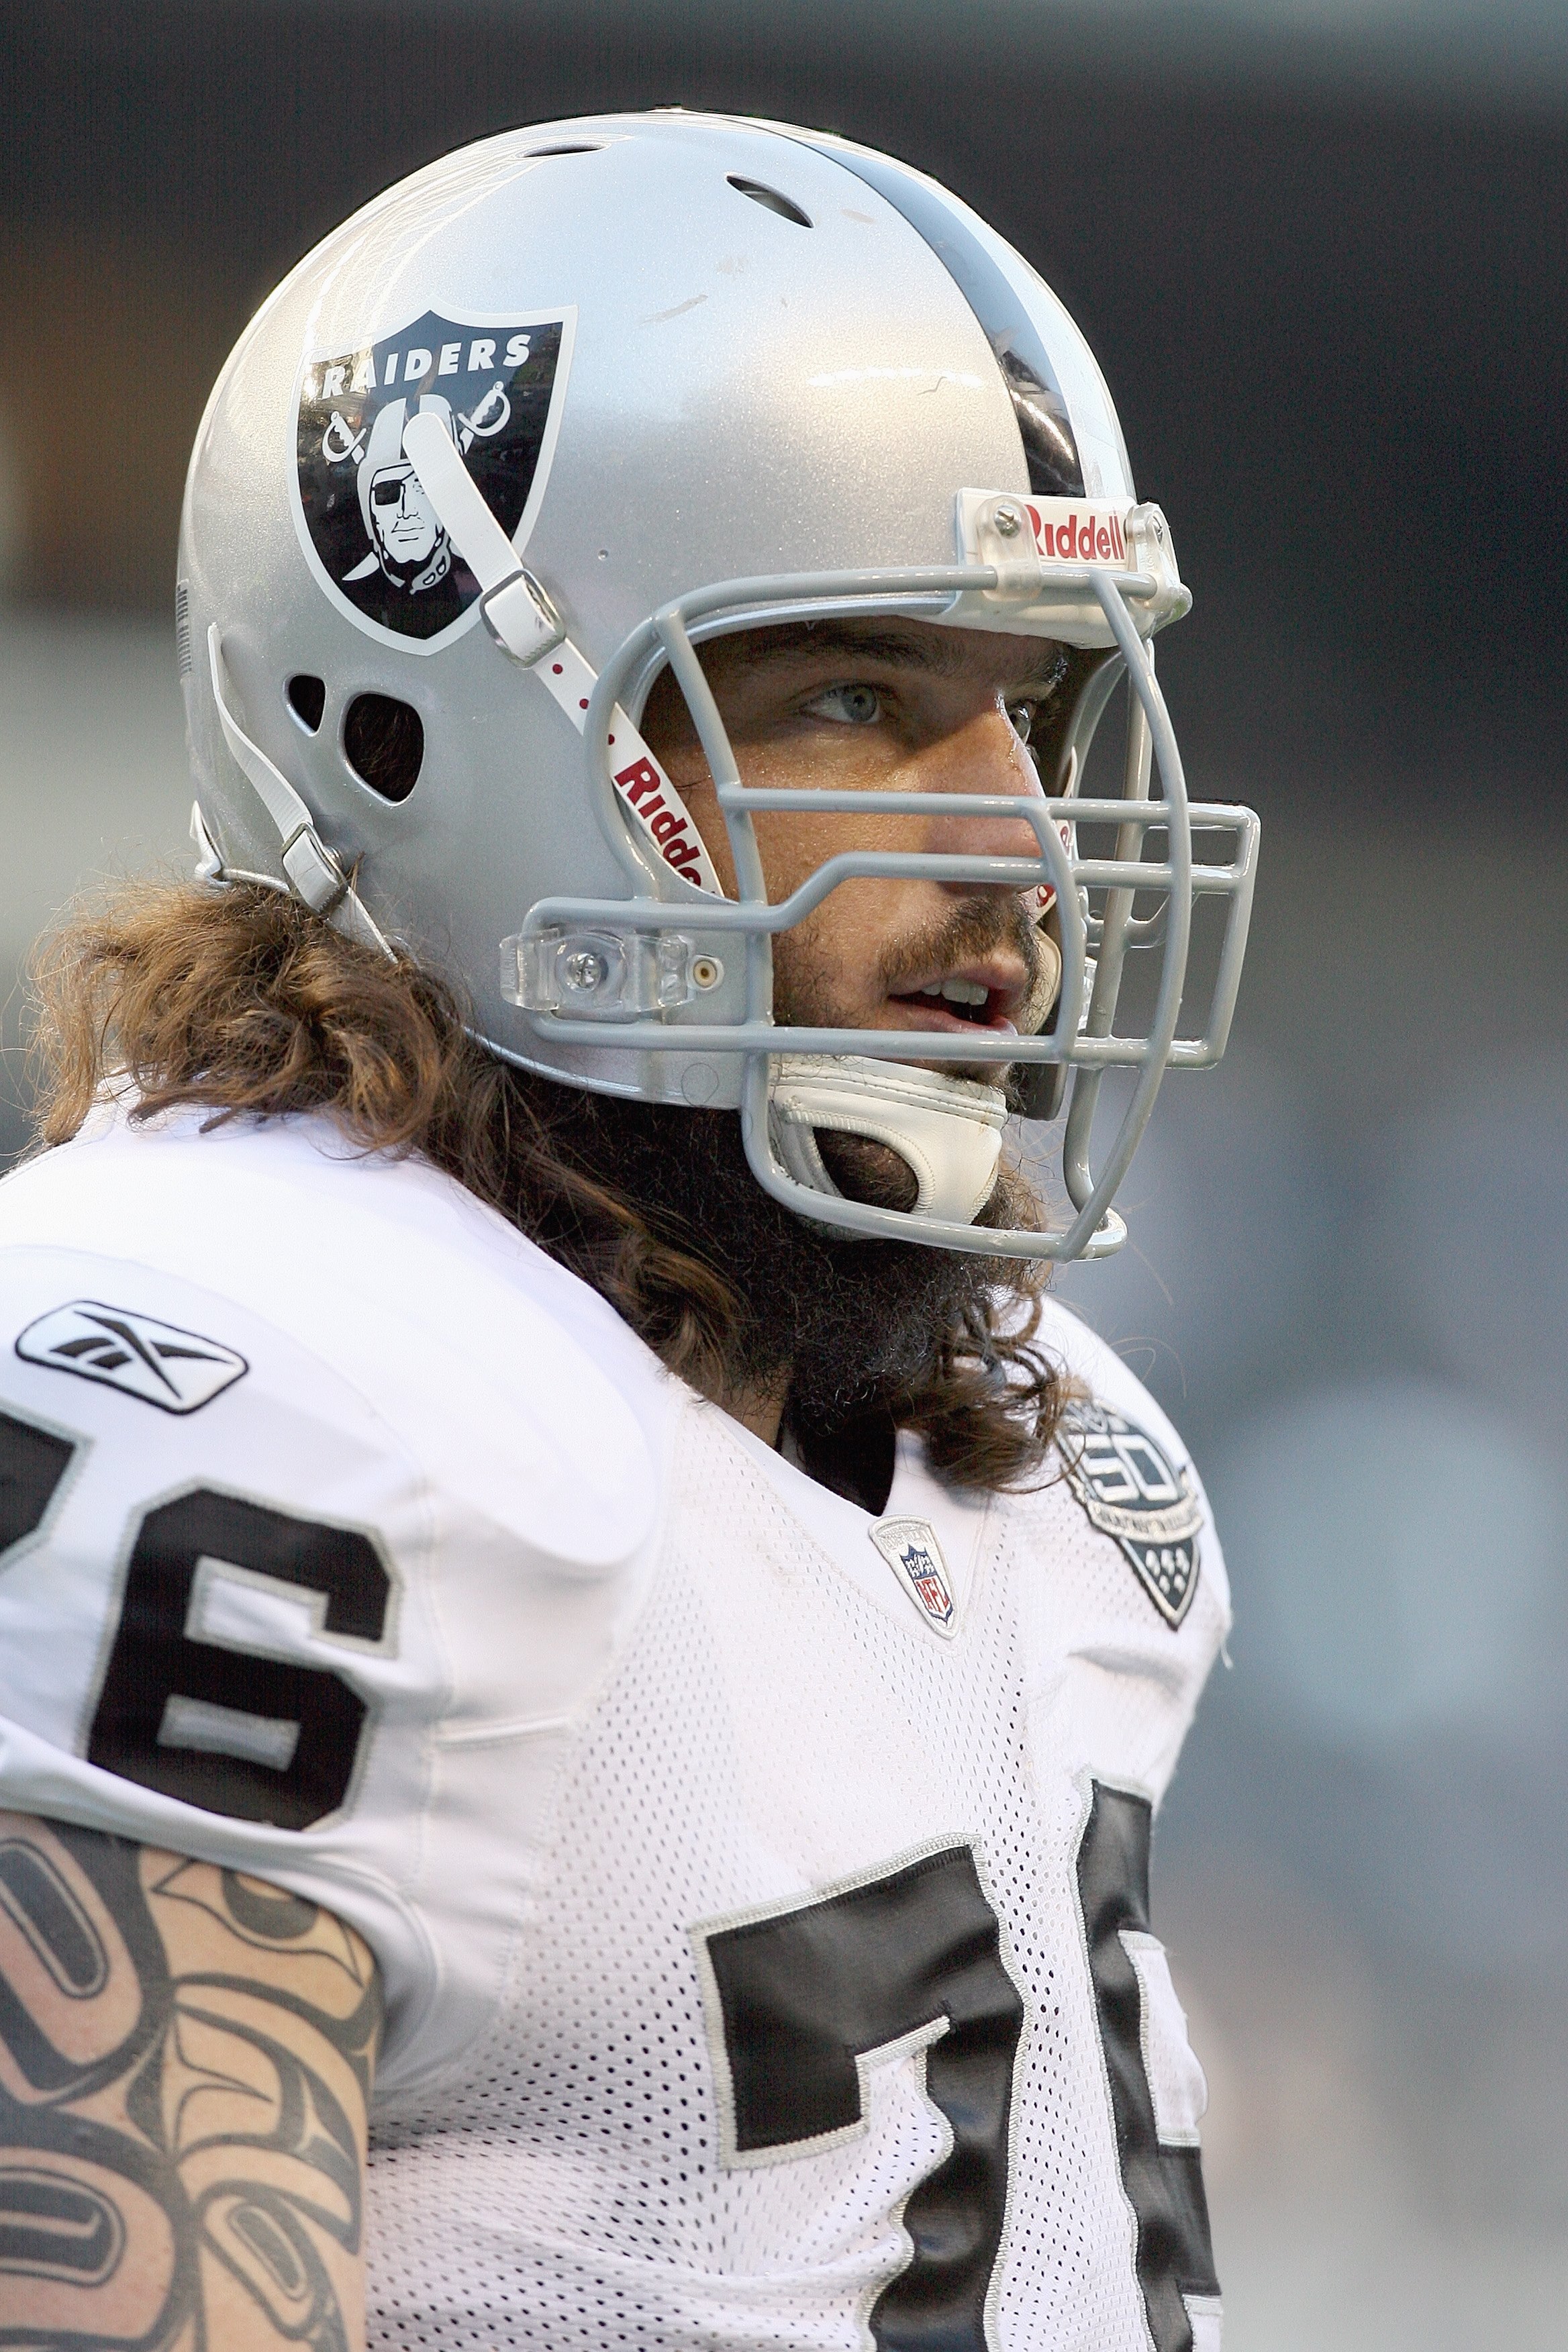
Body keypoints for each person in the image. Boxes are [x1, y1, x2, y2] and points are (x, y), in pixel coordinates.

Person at [0, 112, 1257, 2352]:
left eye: (1036, 703)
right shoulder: (259, 1381)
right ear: (438, 730)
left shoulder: (1058, 1463)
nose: (1025, 845)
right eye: (857, 699)